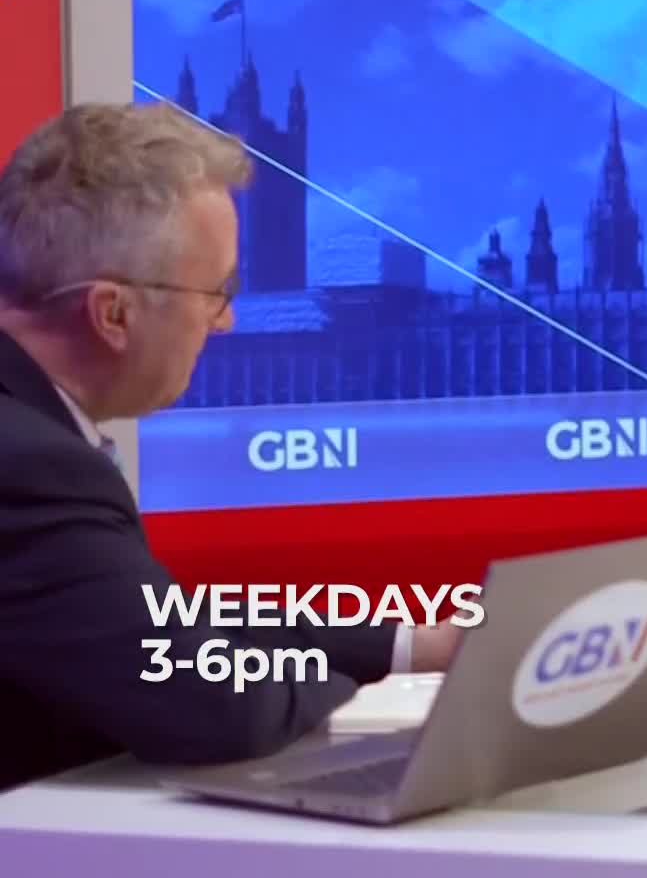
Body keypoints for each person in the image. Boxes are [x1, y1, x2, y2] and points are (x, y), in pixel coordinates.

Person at [0, 103, 460, 791]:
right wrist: (362, 697)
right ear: (113, 313)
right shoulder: (30, 465)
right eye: (216, 292)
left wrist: (411, 647)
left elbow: (148, 617)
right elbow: (215, 705)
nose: (227, 321)